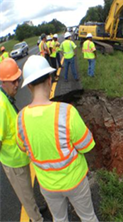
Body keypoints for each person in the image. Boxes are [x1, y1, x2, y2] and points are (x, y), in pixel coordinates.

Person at [16, 55, 98, 222]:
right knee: (88, 217)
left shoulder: (21, 118)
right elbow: (87, 145)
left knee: (59, 219)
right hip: (75, 181)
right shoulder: (66, 112)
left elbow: (23, 147)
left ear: (29, 86)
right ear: (49, 79)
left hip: (47, 186)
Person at [0, 58, 44, 222]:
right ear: (3, 82)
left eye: (18, 79)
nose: (17, 84)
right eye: (13, 81)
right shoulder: (1, 105)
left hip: (20, 157)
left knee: (27, 188)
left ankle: (34, 209)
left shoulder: (5, 97)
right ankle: (36, 218)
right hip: (13, 161)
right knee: (24, 193)